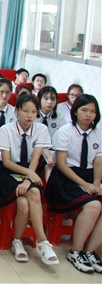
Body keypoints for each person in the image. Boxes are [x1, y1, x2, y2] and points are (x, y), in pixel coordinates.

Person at [0, 94, 59, 266]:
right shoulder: (6, 130)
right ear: (17, 111)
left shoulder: (41, 129)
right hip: (7, 173)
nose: (30, 115)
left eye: (34, 112)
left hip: (29, 171)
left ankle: (18, 241)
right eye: (25, 111)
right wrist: (29, 174)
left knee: (24, 202)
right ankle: (43, 241)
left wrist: (28, 179)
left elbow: (35, 158)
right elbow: (6, 162)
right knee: (33, 194)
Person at [45, 94, 102, 273]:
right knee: (93, 206)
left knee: (97, 201)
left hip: (89, 176)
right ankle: (75, 251)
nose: (89, 115)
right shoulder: (65, 132)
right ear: (75, 111)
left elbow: (99, 162)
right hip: (65, 178)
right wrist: (85, 184)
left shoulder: (98, 133)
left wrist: (96, 184)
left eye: (93, 111)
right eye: (84, 110)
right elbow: (61, 164)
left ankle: (90, 251)